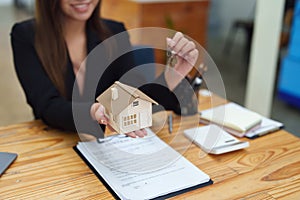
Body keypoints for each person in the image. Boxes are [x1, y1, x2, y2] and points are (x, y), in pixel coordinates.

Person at [11, 0, 199, 138]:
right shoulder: (26, 36)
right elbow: (46, 106)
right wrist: (94, 112)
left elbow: (133, 92)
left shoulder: (114, 31)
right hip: (58, 141)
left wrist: (173, 75)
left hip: (111, 142)